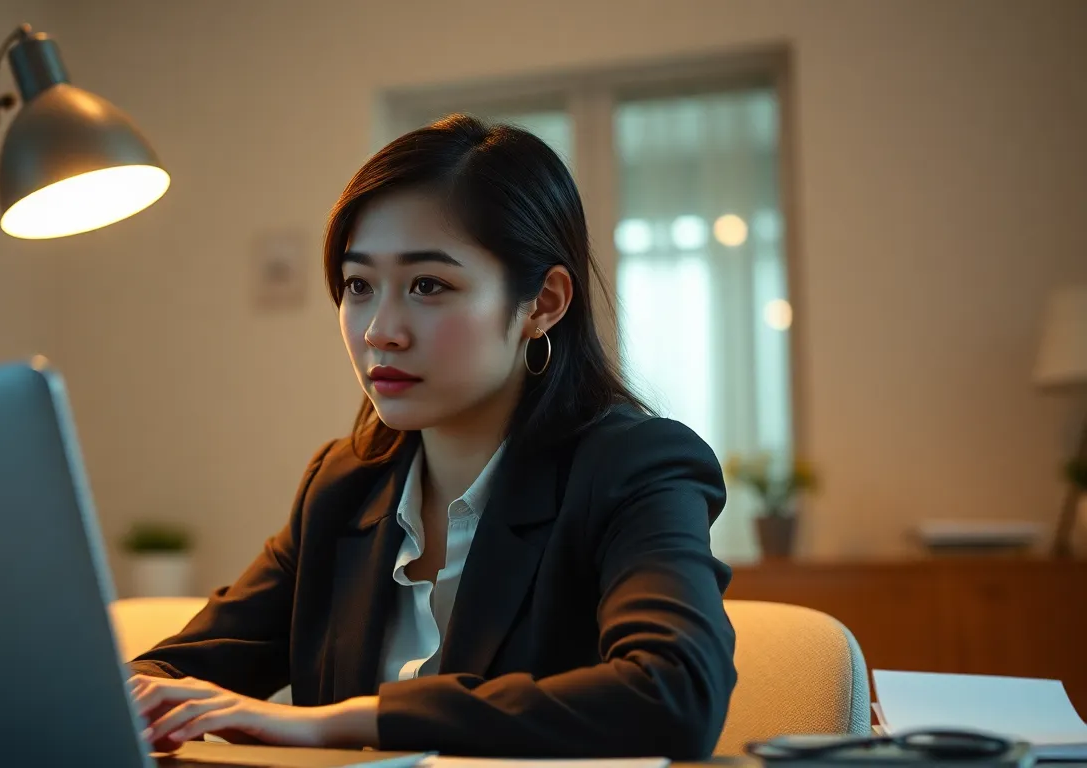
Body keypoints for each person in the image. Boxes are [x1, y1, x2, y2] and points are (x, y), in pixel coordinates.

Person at [125, 114, 737, 759]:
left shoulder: (634, 466)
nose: (380, 330)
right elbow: (187, 667)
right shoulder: (343, 485)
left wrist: (345, 721)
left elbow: (675, 696)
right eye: (359, 285)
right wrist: (129, 692)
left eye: (428, 285)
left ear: (543, 303)